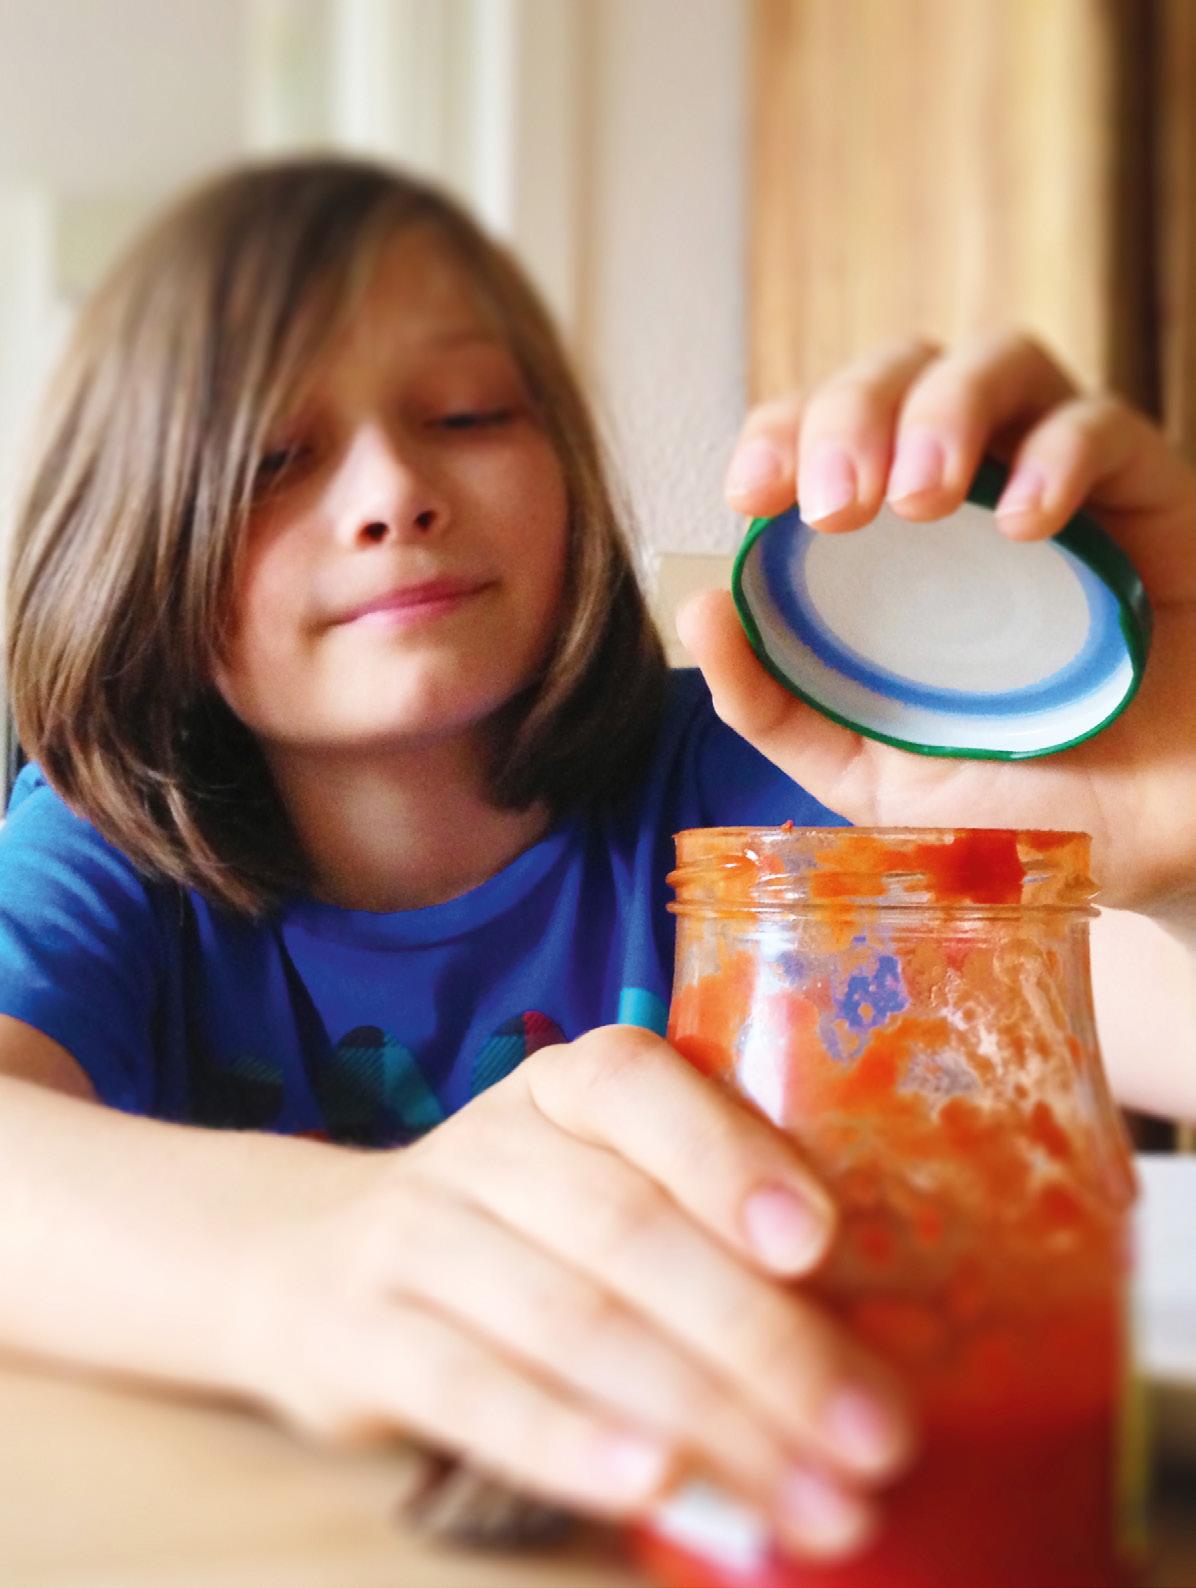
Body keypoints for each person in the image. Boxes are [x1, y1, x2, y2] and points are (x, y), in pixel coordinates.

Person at [0, 157, 1190, 1568]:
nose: (394, 492)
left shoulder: (768, 787)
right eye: (273, 457)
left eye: (466, 413)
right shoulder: (109, 845)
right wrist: (330, 1256)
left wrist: (1175, 850)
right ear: (128, 542)